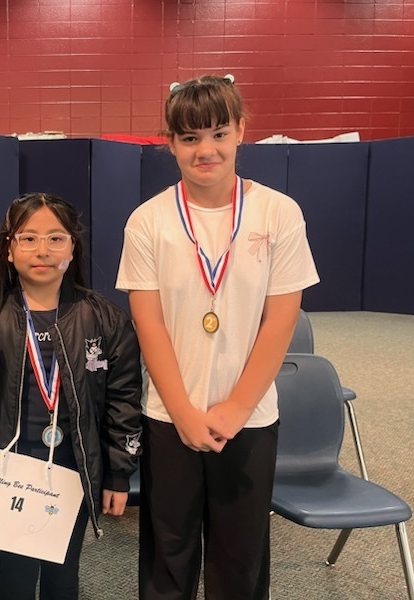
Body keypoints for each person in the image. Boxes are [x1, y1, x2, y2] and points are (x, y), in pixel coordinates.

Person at [116, 74, 320, 599]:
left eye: (218, 133)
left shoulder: (279, 213)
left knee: (240, 557)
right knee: (170, 552)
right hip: (169, 416)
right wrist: (183, 411)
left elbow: (281, 321)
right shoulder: (148, 221)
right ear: (171, 143)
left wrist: (235, 407)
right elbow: (150, 322)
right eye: (189, 138)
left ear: (241, 132)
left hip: (248, 417)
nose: (205, 149)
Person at [0, 193, 143, 600]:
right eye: (28, 239)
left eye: (56, 238)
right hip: (11, 470)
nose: (42, 250)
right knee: (16, 578)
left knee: (63, 572)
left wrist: (117, 472)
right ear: (9, 250)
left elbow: (124, 402)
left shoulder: (106, 319)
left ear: (73, 247)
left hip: (73, 468)